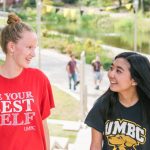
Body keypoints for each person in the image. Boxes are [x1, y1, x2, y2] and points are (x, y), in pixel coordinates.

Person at [0, 13, 55, 150]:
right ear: (11, 47)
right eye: (29, 47)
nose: (33, 53)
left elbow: (43, 125)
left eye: (34, 48)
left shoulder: (39, 79)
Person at [85, 52, 150, 149]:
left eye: (118, 71)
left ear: (135, 80)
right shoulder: (102, 104)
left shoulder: (147, 107)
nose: (111, 74)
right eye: (111, 68)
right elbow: (95, 145)